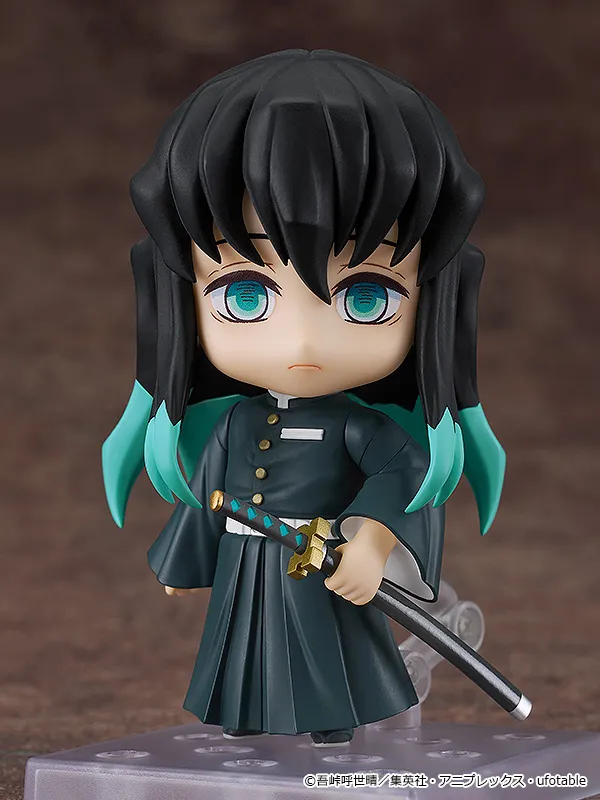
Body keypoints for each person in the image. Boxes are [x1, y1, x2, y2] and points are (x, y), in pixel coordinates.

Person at [102, 49, 505, 747]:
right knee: (240, 650)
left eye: (366, 296)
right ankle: (243, 716)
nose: (303, 341)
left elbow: (402, 476)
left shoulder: (359, 430)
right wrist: (184, 560)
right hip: (247, 564)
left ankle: (331, 726)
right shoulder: (235, 423)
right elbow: (207, 497)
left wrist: (370, 542)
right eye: (246, 295)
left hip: (322, 561)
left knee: (329, 655)